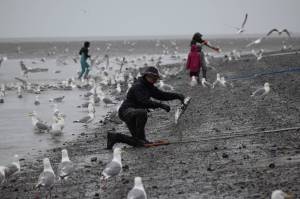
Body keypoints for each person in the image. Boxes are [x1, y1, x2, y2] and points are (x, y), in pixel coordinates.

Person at [107, 66, 185, 149]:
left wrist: (177, 96)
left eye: (156, 78)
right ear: (148, 76)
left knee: (139, 143)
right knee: (142, 112)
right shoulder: (138, 86)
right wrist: (160, 105)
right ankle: (140, 139)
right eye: (155, 78)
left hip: (135, 112)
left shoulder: (149, 86)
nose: (156, 80)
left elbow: (162, 95)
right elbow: (143, 101)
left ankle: (115, 137)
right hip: (126, 112)